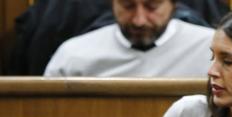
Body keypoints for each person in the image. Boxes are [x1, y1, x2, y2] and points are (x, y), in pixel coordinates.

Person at [43, 0, 214, 77]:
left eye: (152, 7)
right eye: (128, 6)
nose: (139, 20)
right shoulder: (73, 54)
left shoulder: (212, 48)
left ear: (174, 5)